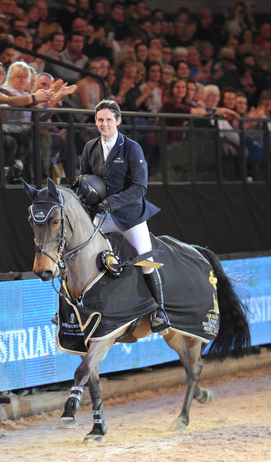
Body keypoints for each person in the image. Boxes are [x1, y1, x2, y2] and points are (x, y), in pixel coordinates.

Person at [79, 99, 170, 334]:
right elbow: (85, 180)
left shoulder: (131, 148)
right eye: (100, 120)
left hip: (130, 215)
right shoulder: (90, 147)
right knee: (82, 250)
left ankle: (159, 310)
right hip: (102, 214)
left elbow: (140, 187)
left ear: (118, 121)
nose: (104, 124)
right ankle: (77, 307)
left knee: (145, 259)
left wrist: (110, 203)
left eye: (109, 119)